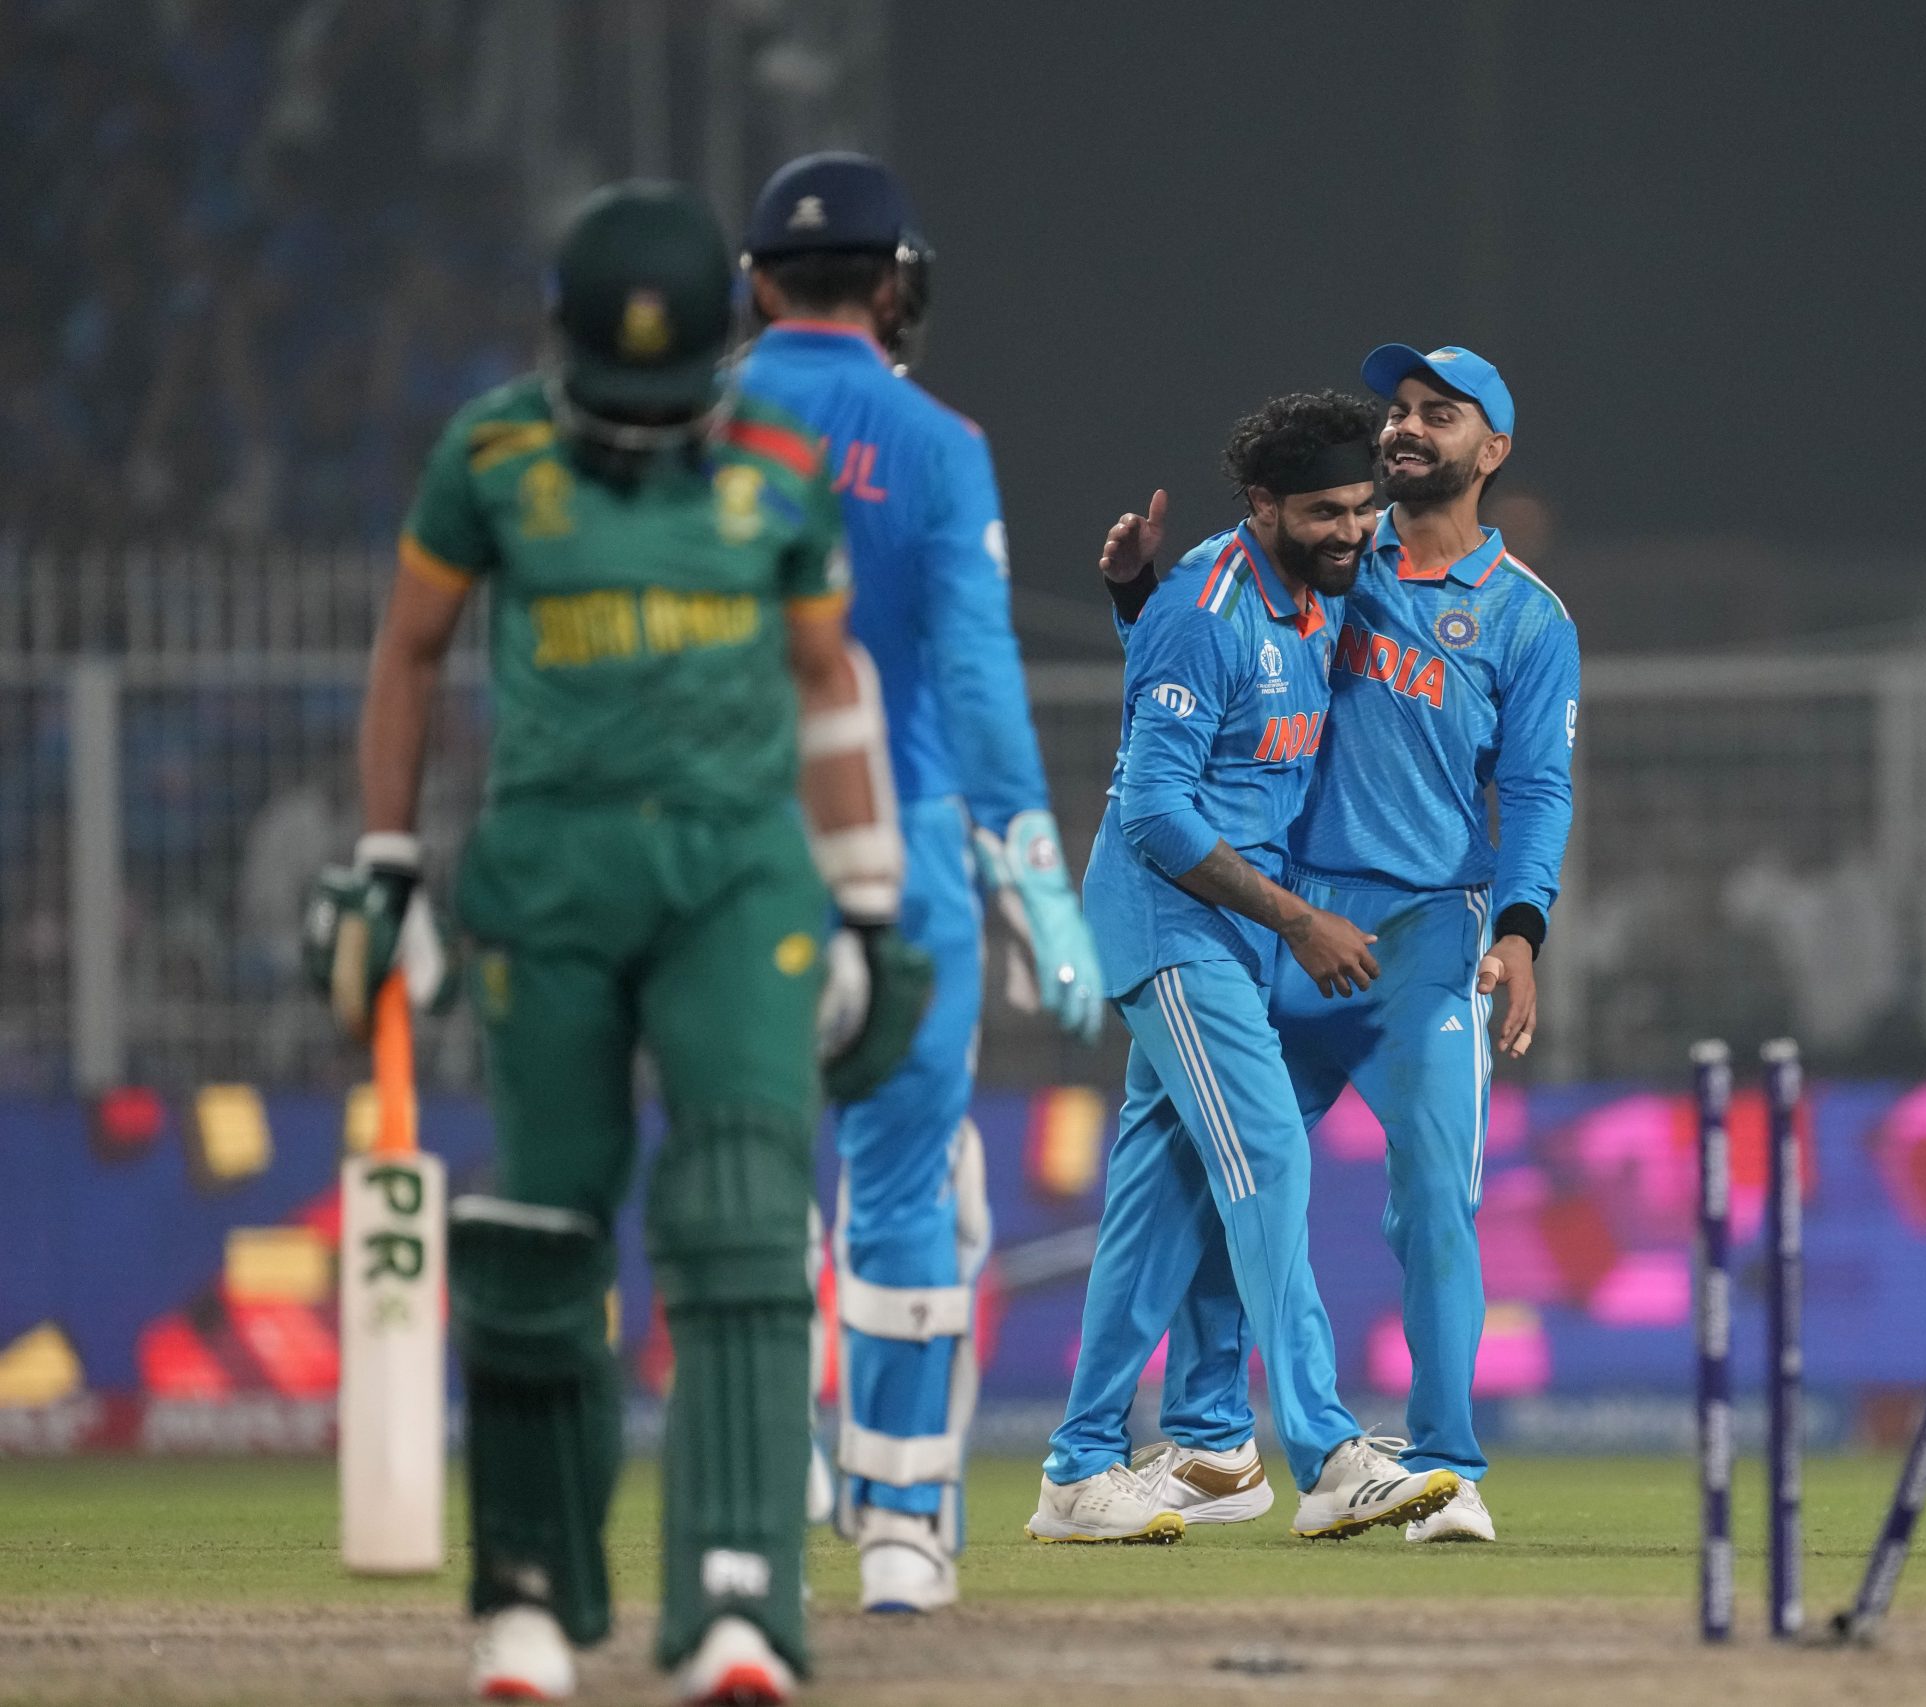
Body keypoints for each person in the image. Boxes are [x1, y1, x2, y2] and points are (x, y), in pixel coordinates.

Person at [305, 181, 928, 1705]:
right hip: (551, 872)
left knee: (742, 1210)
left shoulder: (780, 457)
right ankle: (530, 1596)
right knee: (541, 1225)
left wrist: (865, 898)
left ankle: (737, 1600)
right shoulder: (492, 454)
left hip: (736, 878)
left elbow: (827, 678)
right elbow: (411, 649)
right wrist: (387, 865)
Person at [1098, 345, 1578, 1544]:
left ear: (1492, 449)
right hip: (1285, 919)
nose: (1406, 427)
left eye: (1438, 414)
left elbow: (1537, 787)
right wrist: (1137, 601)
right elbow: (1208, 669)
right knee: (1223, 1180)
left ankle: (1446, 1466)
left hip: (1421, 935)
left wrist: (1523, 927)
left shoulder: (1526, 616)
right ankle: (1213, 1445)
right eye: (1398, 409)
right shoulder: (1331, 559)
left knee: (1436, 1200)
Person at [734, 152, 1107, 1613]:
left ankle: (763, 1480)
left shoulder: (690, 432)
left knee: (747, 1179)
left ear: (755, 282)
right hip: (907, 857)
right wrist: (1036, 875)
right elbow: (975, 669)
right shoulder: (936, 443)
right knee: (906, 1186)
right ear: (897, 286)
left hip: (724, 862)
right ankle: (900, 1530)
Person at [1029, 391, 1462, 1545]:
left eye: (1363, 508)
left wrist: (1131, 602)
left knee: (1156, 1204)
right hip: (1175, 928)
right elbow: (1155, 814)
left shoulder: (1316, 592)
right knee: (1266, 1150)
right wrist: (1300, 921)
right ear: (1263, 504)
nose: (1351, 531)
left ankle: (1080, 1470)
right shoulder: (1206, 605)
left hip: (1233, 935)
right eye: (1325, 512)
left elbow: (1192, 690)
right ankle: (1325, 1453)